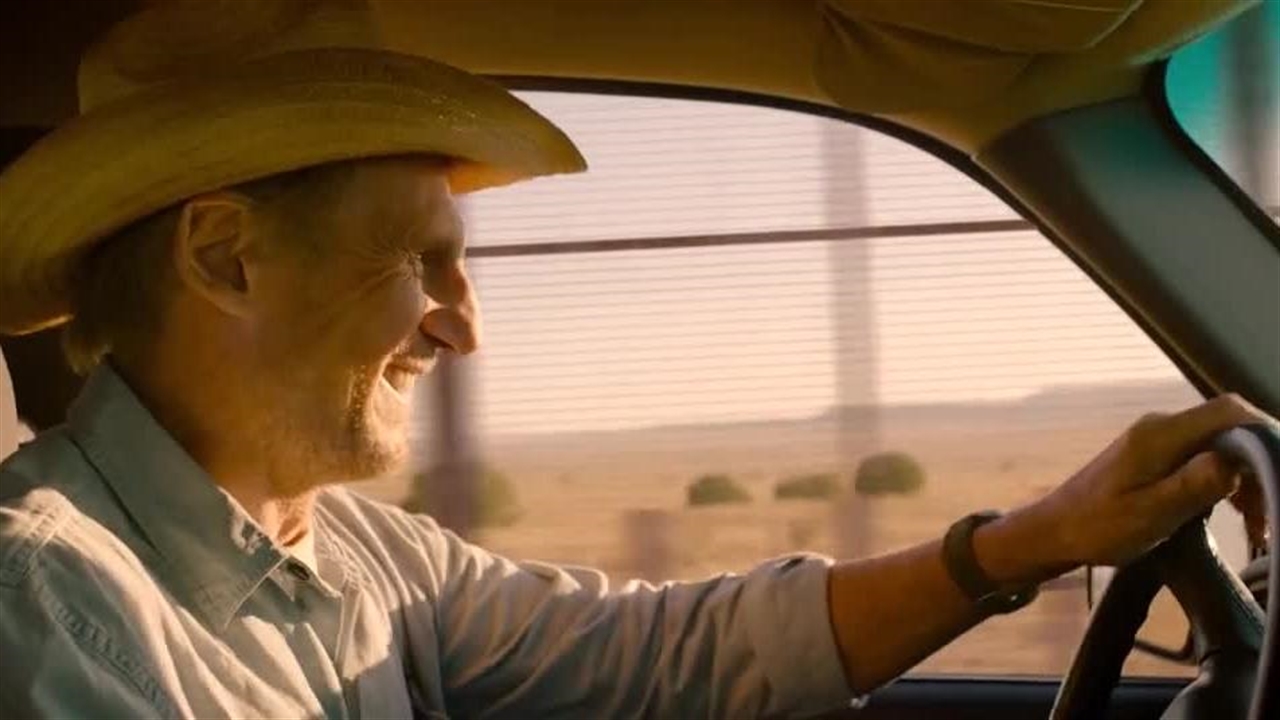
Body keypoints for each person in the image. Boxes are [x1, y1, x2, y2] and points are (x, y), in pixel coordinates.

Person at [0, 2, 1272, 719]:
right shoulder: (43, 606)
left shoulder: (357, 556)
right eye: (420, 264)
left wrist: (1031, 542)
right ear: (225, 258)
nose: (462, 327)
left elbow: (654, 652)